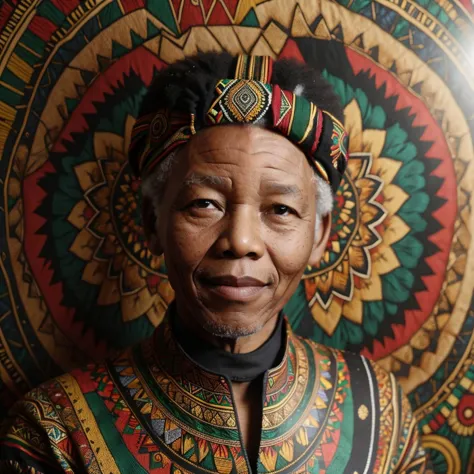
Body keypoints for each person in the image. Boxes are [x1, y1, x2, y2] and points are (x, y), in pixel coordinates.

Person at [0, 53, 432, 474]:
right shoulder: (55, 434)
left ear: (319, 233)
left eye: (280, 209)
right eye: (205, 204)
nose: (241, 242)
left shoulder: (379, 418)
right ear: (152, 222)